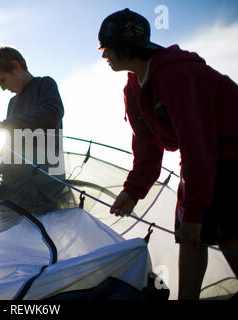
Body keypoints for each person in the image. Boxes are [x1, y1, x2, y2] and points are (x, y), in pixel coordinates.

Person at [97, 8, 238, 299]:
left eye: (107, 48)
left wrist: (195, 209)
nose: (103, 56)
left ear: (126, 46)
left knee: (227, 232)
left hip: (231, 155)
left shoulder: (176, 73)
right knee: (189, 238)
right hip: (202, 159)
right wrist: (133, 191)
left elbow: (198, 141)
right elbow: (147, 146)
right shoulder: (134, 87)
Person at [0, 46, 74, 218]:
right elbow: (10, 143)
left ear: (16, 67)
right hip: (13, 189)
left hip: (44, 185)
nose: (2, 88)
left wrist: (1, 126)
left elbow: (50, 115)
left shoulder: (44, 84)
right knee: (3, 240)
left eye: (2, 80)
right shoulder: (13, 103)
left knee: (45, 237)